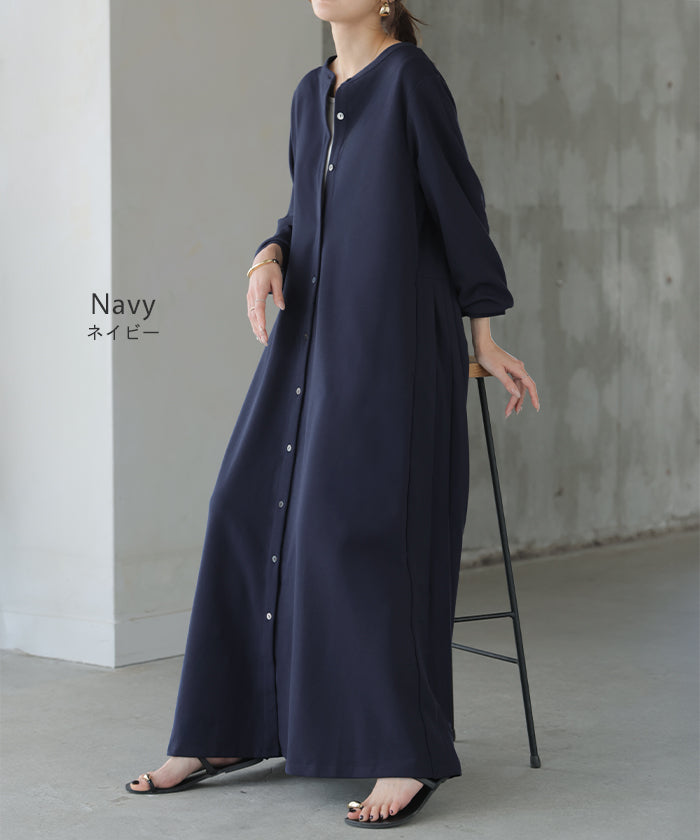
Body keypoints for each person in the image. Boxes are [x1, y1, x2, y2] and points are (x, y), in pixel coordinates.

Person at [125, 0, 540, 829]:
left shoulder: (411, 81)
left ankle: (405, 749)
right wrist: (267, 254)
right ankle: (224, 732)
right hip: (309, 339)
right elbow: (304, 212)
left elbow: (459, 209)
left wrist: (484, 334)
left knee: (350, 523)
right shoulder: (309, 93)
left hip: (389, 342)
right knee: (239, 507)